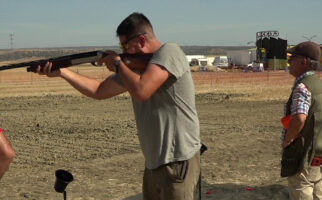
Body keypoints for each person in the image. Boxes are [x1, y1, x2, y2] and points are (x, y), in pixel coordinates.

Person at [35, 12, 201, 200]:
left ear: (141, 40)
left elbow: (141, 91)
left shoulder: (169, 52)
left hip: (177, 161)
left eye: (124, 45)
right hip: (153, 163)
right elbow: (98, 90)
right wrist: (63, 72)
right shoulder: (134, 69)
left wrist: (118, 64)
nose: (122, 50)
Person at [280, 41, 322, 200]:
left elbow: (299, 118)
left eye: (292, 58)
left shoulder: (302, 87)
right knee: (318, 192)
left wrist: (288, 140)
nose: (289, 61)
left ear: (303, 61)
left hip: (305, 155)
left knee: (301, 190)